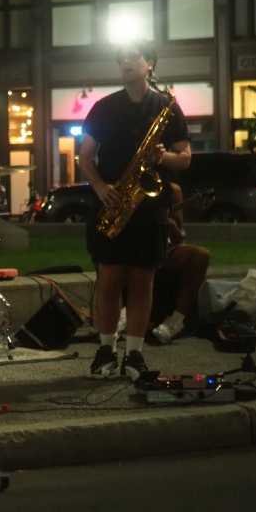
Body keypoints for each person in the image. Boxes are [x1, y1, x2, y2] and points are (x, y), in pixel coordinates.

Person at [78, 43, 191, 380]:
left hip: (150, 206)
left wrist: (162, 157)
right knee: (109, 279)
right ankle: (105, 349)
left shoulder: (167, 107)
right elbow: (85, 157)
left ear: (150, 64)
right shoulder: (103, 107)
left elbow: (185, 158)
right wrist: (101, 187)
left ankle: (135, 354)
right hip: (112, 201)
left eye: (132, 57)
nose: (125, 63)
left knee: (143, 280)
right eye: (121, 59)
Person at [148, 182, 211, 343]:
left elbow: (178, 239)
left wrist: (171, 226)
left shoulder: (173, 191)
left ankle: (175, 322)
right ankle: (121, 319)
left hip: (163, 250)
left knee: (200, 255)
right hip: (133, 250)